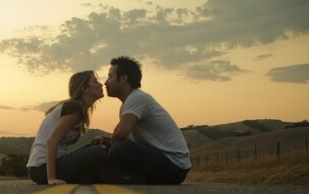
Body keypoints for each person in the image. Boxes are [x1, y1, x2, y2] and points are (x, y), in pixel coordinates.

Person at [92, 56, 191, 184]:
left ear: (123, 79)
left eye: (110, 76)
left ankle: (121, 177)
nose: (106, 82)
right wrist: (105, 140)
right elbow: (125, 139)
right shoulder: (128, 104)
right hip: (166, 163)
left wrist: (110, 144)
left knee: (119, 149)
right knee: (115, 148)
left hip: (174, 167)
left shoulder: (137, 98)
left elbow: (120, 134)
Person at [27, 70, 107, 185]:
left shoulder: (79, 109)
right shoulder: (74, 108)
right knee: (98, 152)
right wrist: (51, 178)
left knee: (98, 147)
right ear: (84, 89)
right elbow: (52, 141)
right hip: (41, 169)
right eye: (95, 82)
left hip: (56, 163)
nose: (100, 84)